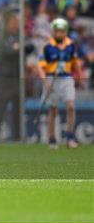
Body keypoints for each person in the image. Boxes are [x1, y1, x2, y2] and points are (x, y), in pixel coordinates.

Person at [38, 18, 82, 149]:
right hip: (52, 79)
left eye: (61, 31)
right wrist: (45, 82)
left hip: (66, 78)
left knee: (70, 107)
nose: (59, 34)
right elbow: (41, 66)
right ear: (53, 32)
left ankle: (69, 137)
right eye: (57, 31)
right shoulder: (47, 46)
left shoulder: (70, 45)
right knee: (53, 110)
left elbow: (75, 62)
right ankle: (52, 139)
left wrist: (80, 75)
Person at [0, 12, 20, 141]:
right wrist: (17, 49)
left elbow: (27, 48)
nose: (16, 24)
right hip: (3, 78)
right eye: (14, 22)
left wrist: (19, 48)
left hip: (17, 77)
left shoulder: (20, 36)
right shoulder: (2, 36)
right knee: (0, 109)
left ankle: (18, 137)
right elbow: (5, 50)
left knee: (17, 110)